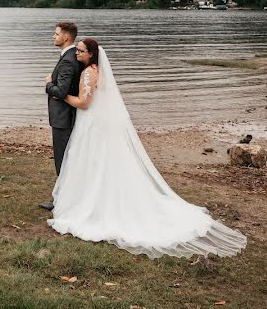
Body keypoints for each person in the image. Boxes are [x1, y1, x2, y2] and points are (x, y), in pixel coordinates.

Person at [47, 38, 248, 259]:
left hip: (91, 123)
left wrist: (60, 93)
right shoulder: (96, 70)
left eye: (81, 51)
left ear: (91, 54)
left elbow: (84, 103)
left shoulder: (88, 73)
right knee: (98, 162)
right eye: (77, 50)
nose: (77, 53)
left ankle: (93, 203)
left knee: (93, 161)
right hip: (95, 122)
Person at [40, 21, 83, 211]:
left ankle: (62, 202)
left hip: (63, 119)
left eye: (56, 34)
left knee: (62, 160)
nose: (54, 36)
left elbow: (61, 91)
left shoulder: (67, 61)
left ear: (66, 37)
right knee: (68, 159)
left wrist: (49, 84)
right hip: (69, 117)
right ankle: (67, 198)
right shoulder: (73, 56)